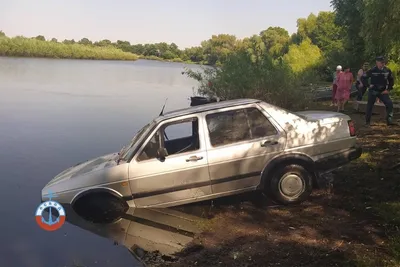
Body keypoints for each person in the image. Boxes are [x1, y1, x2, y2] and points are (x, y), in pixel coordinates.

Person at [361, 56, 395, 126]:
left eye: (383, 62)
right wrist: (368, 85)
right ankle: (367, 122)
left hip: (383, 91)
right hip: (373, 91)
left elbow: (391, 80)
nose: (383, 64)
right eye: (381, 62)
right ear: (377, 63)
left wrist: (388, 89)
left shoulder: (387, 70)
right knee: (369, 106)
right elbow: (363, 78)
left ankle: (389, 121)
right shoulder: (372, 70)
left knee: (389, 104)